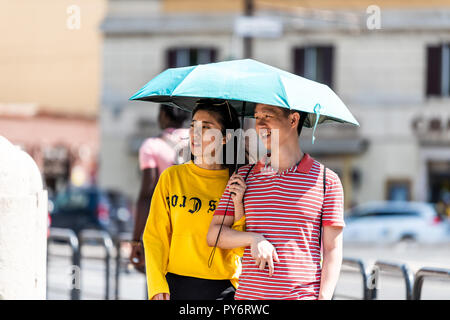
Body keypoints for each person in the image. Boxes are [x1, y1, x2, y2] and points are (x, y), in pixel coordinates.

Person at [207, 103, 345, 300]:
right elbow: (214, 234)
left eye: (267, 116)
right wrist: (254, 238)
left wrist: (324, 297)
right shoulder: (244, 176)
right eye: (256, 117)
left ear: (293, 120)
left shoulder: (326, 180)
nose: (259, 124)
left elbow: (333, 249)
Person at [142, 99, 246, 300]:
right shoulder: (171, 177)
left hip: (224, 291)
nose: (195, 134)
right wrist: (156, 284)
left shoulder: (237, 183)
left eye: (206, 127)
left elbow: (241, 249)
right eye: (193, 126)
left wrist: (239, 204)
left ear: (225, 138)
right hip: (176, 287)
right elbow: (155, 237)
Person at [130, 105, 189, 273]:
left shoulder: (152, 146)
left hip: (163, 229)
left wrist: (136, 240)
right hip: (192, 227)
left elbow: (147, 195)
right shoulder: (197, 142)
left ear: (163, 115)